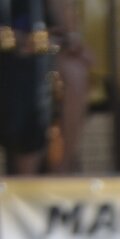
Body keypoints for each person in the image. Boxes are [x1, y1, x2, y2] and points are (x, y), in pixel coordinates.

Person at [0, 0, 91, 174]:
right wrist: (17, 40)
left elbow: (59, 9)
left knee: (74, 74)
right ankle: (26, 181)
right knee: (25, 80)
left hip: (35, 55)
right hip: (11, 57)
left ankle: (60, 173)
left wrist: (70, 38)